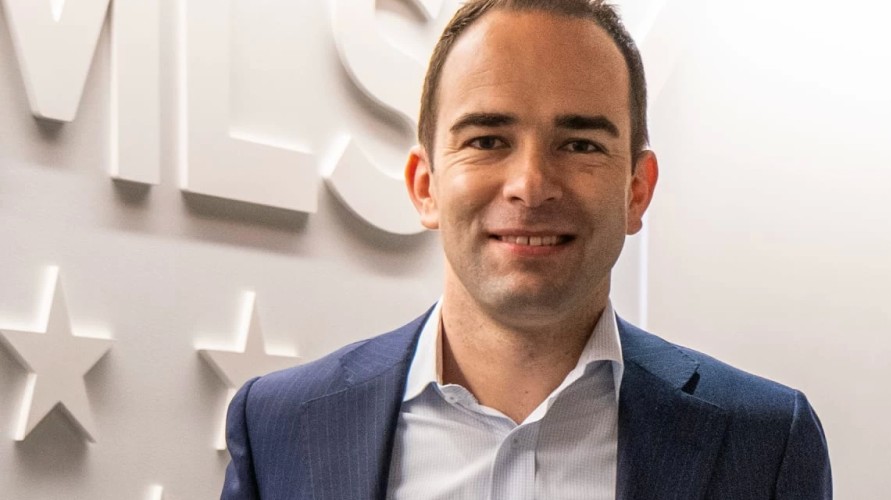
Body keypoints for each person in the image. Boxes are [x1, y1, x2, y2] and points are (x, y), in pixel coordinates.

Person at [221, 1, 832, 498]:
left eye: (581, 145)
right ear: (425, 186)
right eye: (488, 140)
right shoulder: (280, 426)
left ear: (636, 191)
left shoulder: (764, 443)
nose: (531, 185)